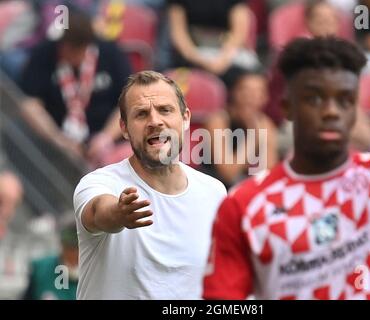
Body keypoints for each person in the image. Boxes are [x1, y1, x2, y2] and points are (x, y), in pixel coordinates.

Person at [203, 37, 370, 300]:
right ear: (287, 106)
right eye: (315, 98)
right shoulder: (243, 205)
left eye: (345, 100)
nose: (331, 111)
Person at [73, 70, 227, 299]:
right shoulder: (99, 183)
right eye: (142, 114)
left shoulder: (214, 192)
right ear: (124, 128)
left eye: (165, 110)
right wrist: (119, 214)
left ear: (185, 119)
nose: (155, 121)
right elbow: (98, 213)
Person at [19, 10, 132, 167]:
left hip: (105, 141)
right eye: (66, 48)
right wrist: (57, 139)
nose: (70, 55)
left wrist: (107, 137)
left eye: (77, 50)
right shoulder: (44, 54)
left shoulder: (110, 52)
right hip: (57, 141)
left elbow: (129, 100)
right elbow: (29, 104)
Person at [203, 69, 278, 189]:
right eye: (246, 90)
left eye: (258, 92)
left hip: (245, 189)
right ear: (234, 92)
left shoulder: (266, 124)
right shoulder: (218, 120)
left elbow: (268, 174)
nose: (251, 97)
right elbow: (227, 173)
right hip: (214, 187)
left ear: (265, 98)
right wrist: (252, 135)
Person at [22, 214, 79, 300]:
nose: (73, 253)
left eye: (76, 248)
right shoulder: (41, 268)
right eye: (69, 246)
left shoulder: (96, 274)